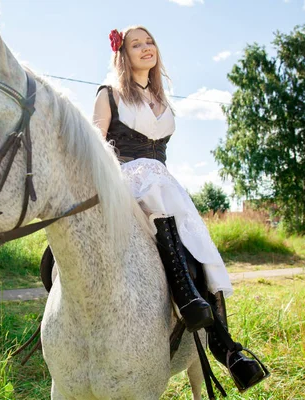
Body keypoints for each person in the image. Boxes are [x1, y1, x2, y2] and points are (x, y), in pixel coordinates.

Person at [92, 26, 268, 392]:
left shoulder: (160, 97)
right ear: (122, 54)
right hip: (123, 180)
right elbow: (95, 146)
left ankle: (226, 346)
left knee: (203, 250)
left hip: (162, 182)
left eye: (149, 41)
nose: (145, 48)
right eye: (135, 44)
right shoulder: (108, 94)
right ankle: (188, 301)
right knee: (156, 188)